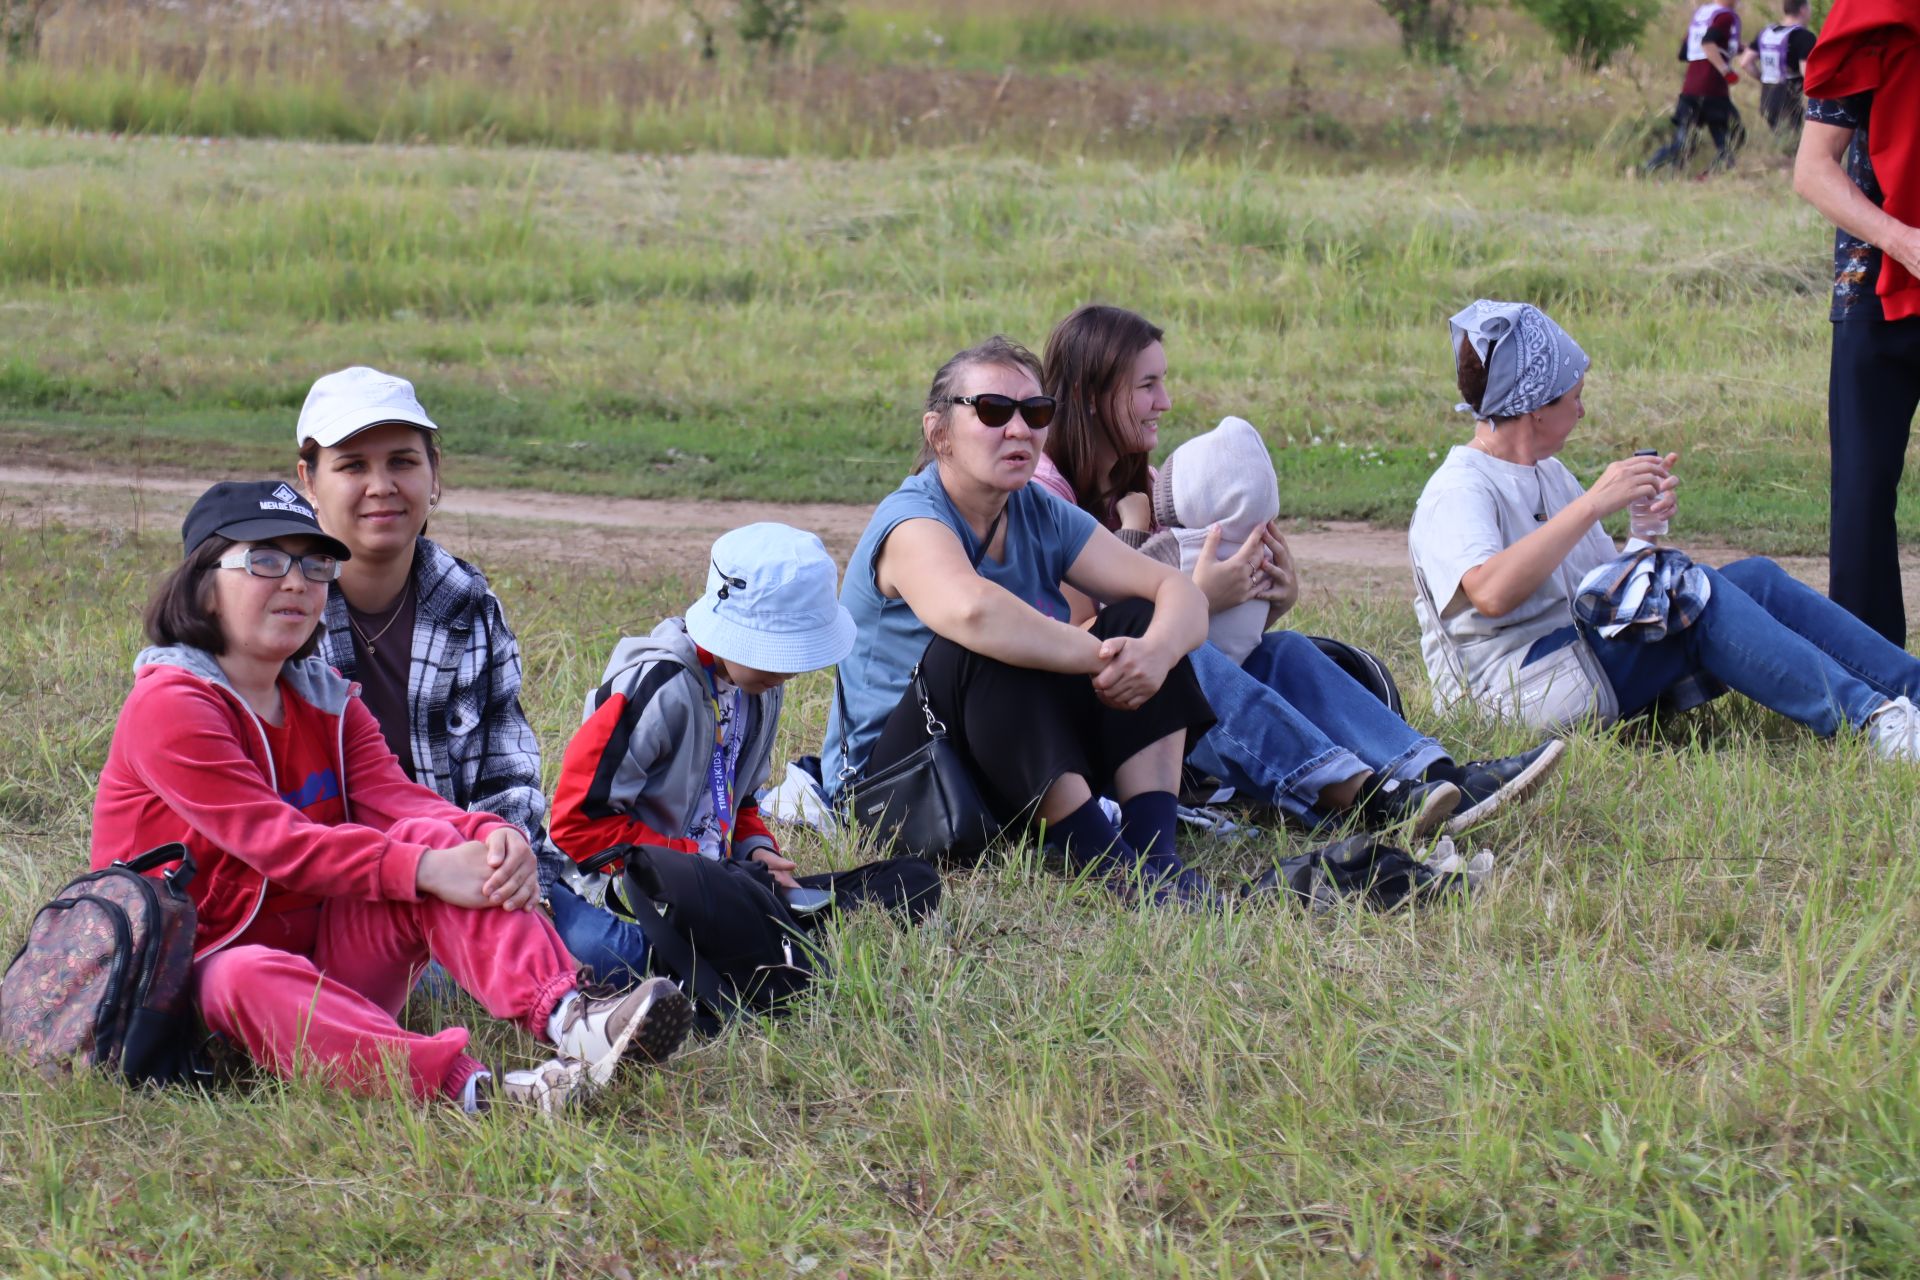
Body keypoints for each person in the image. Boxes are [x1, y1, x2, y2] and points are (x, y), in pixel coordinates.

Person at [90, 482, 693, 1115]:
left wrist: (486, 835)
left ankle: (575, 1020)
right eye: (265, 561)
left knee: (438, 839)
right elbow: (279, 845)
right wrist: (429, 869)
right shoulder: (172, 705)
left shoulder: (324, 696)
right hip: (198, 993)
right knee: (243, 972)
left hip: (324, 960)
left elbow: (400, 800)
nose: (296, 582)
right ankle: (477, 1095)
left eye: (315, 564)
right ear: (201, 583)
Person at [1037, 304, 1565, 838]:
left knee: (1283, 652)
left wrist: (1268, 597)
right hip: (1084, 724)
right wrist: (1197, 600)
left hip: (1153, 707)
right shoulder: (1045, 494)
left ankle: (1433, 774)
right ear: (1088, 394)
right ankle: (1368, 799)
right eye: (1146, 385)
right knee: (1187, 654)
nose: (1165, 403)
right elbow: (1087, 640)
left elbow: (1221, 638)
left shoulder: (1143, 482)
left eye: (1163, 382)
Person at [1409, 299, 1920, 759]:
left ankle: (1912, 691)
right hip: (1514, 697)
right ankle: (1874, 724)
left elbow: (1599, 594)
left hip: (1575, 659)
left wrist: (1642, 533)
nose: (1582, 410)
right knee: (1693, 594)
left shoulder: (1547, 472)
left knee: (1755, 579)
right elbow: (1491, 593)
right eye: (1573, 397)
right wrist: (1591, 505)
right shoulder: (1459, 489)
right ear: (1536, 409)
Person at [822, 335, 1221, 906]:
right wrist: (1103, 658)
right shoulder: (911, 520)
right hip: (901, 788)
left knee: (1138, 617)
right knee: (978, 646)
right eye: (992, 411)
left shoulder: (1037, 509)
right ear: (939, 433)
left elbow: (1176, 591)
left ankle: (1155, 858)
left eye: (1035, 413)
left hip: (1005, 763)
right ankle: (1105, 864)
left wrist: (1152, 652)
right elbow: (973, 611)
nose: (1018, 430)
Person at [544, 523, 937, 984]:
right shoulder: (656, 687)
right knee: (619, 957)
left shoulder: (761, 688)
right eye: (776, 654)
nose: (787, 672)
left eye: (797, 657)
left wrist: (758, 853)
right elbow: (577, 825)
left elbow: (741, 799)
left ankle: (758, 933)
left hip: (725, 881)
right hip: (634, 891)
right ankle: (756, 941)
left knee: (913, 880)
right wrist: (695, 868)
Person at [295, 367, 548, 853]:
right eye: (352, 467)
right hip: (338, 876)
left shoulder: (470, 604)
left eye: (402, 462)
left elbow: (506, 770)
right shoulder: (280, 608)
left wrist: (502, 853)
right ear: (309, 480)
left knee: (601, 934)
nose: (381, 486)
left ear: (434, 471)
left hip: (470, 863)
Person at [1794, 0, 1920, 645]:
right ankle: (1874, 685)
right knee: (1863, 493)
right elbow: (1812, 170)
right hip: (1877, 284)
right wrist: (1904, 242)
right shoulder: (1872, 13)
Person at [1645, 0, 1745, 175]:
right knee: (1733, 137)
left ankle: (1646, 170)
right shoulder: (1725, 16)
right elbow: (1708, 44)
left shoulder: (1702, 14)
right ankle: (1710, 176)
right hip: (1713, 90)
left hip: (1690, 89)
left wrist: (1735, 48)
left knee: (1683, 144)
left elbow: (1685, 52)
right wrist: (1726, 71)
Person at [1739, 0, 1816, 134]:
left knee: (1780, 139)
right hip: (1789, 101)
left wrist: (1763, 78)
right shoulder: (1805, 37)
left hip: (1767, 98)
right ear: (1803, 10)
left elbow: (1745, 62)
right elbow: (1806, 72)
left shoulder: (1766, 33)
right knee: (1793, 145)